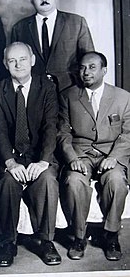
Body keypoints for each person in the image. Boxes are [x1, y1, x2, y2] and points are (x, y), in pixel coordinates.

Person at [0, 41, 60, 267]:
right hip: (11, 158)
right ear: (4, 63)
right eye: (12, 60)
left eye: (22, 59)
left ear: (33, 60)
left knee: (48, 180)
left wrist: (43, 161)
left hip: (39, 156)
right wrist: (10, 163)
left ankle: (46, 241)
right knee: (8, 183)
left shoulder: (46, 86)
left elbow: (51, 126)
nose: (18, 64)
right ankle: (7, 243)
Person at [57, 51, 130, 261]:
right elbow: (62, 133)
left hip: (111, 153)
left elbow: (127, 133)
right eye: (82, 67)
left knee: (116, 181)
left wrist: (115, 157)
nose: (85, 72)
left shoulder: (123, 97)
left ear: (104, 70)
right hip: (81, 154)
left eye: (92, 67)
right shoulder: (68, 96)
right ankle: (79, 237)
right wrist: (72, 159)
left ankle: (111, 234)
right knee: (73, 181)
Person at [11, 0, 94, 91]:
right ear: (31, 0)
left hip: (70, 89)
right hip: (34, 91)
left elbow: (90, 59)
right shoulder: (19, 28)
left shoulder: (76, 22)